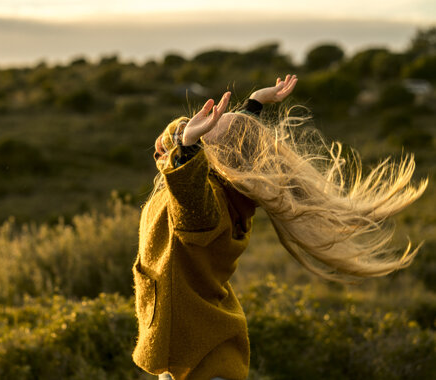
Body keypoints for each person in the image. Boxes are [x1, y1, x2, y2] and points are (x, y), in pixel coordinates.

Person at [132, 75, 428, 380]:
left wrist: (189, 145)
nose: (208, 122)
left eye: (212, 127)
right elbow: (233, 144)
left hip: (199, 355)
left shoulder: (207, 206)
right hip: (199, 340)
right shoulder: (228, 186)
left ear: (219, 156)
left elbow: (189, 190)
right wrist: (256, 102)